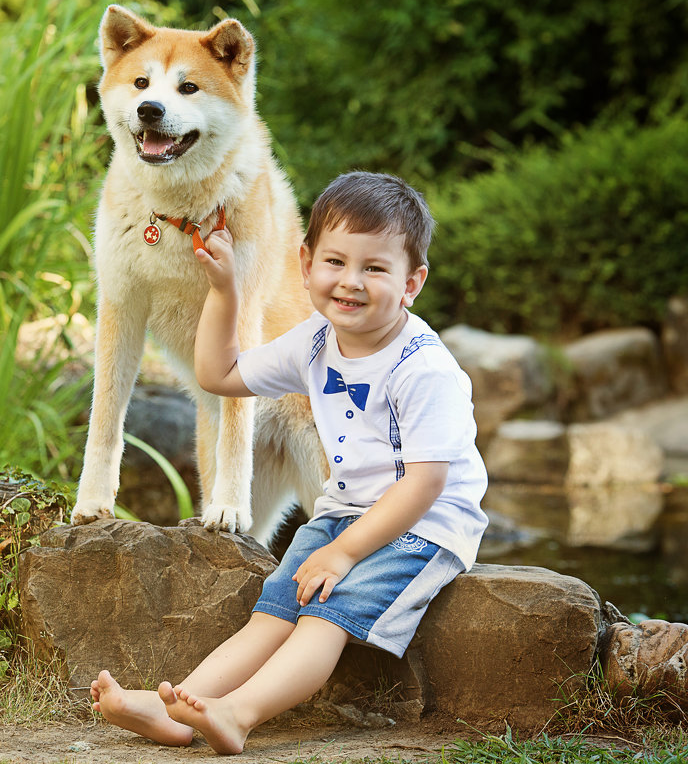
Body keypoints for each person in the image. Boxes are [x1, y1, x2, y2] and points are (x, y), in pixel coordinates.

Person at [90, 171, 489, 754]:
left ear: (413, 283)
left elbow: (428, 483)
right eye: (335, 262)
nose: (350, 282)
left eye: (375, 269)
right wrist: (225, 291)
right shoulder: (316, 340)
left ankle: (239, 713)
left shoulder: (423, 368)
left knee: (327, 614)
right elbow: (219, 376)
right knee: (272, 609)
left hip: (424, 526)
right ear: (304, 265)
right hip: (345, 512)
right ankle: (173, 707)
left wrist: (343, 551)